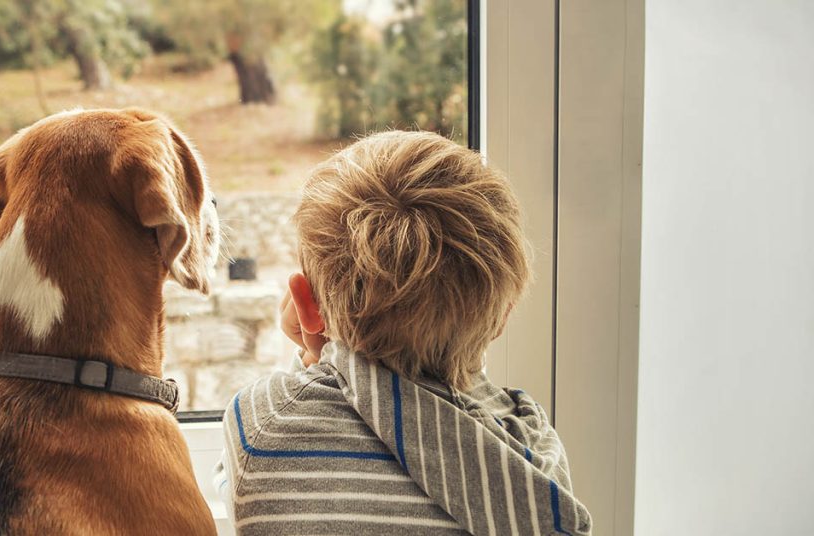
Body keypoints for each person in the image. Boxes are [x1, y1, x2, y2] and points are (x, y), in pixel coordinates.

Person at [216, 131, 592, 535]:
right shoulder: (532, 450)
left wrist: (314, 356)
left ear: (305, 306)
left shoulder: (266, 424)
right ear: (503, 315)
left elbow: (230, 486)